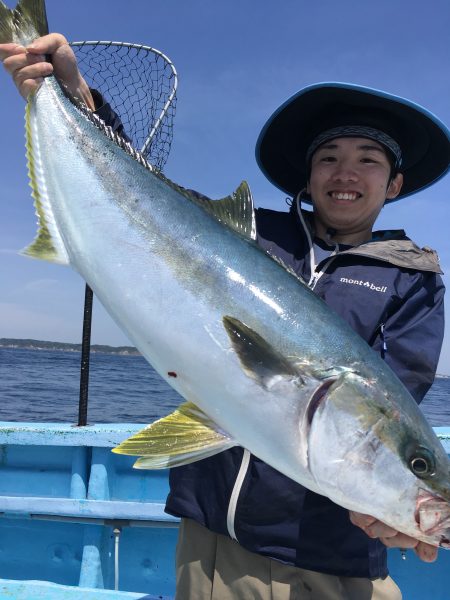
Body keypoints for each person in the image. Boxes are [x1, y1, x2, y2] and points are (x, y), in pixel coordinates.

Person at [1, 34, 449, 600]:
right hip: (214, 540)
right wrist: (74, 95)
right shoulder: (252, 237)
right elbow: (140, 189)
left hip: (331, 555)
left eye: (368, 161)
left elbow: (395, 393)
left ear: (395, 183)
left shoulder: (412, 276)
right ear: (307, 178)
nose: (345, 173)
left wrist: (383, 502)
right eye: (329, 158)